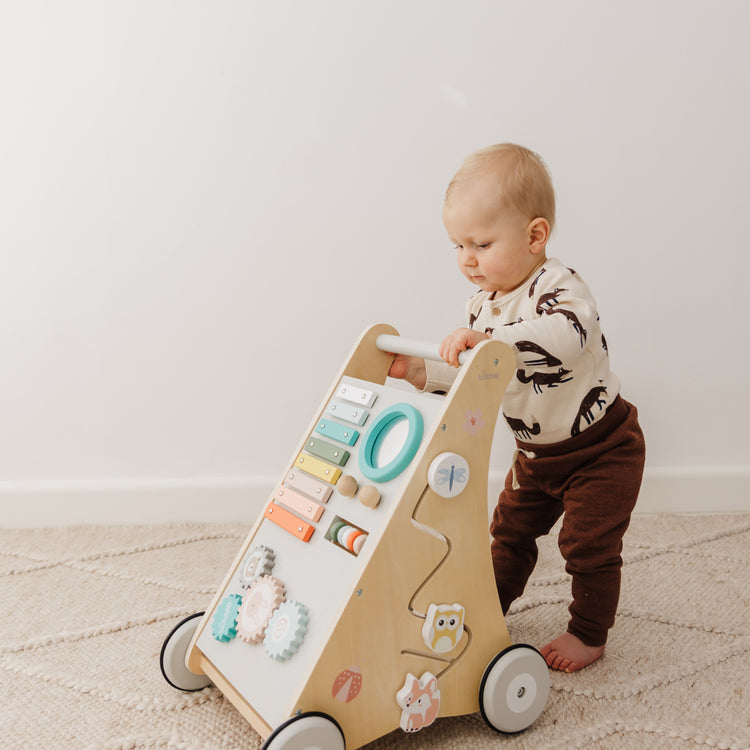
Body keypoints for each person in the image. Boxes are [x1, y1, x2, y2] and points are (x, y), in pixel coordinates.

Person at [389, 143, 645, 672]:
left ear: (535, 236)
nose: (467, 259)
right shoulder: (481, 306)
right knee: (506, 533)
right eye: (457, 245)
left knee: (587, 544)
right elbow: (478, 373)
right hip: (535, 457)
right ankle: (487, 609)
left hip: (602, 451)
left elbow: (568, 336)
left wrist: (487, 339)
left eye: (481, 243)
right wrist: (422, 373)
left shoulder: (559, 287)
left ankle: (589, 632)